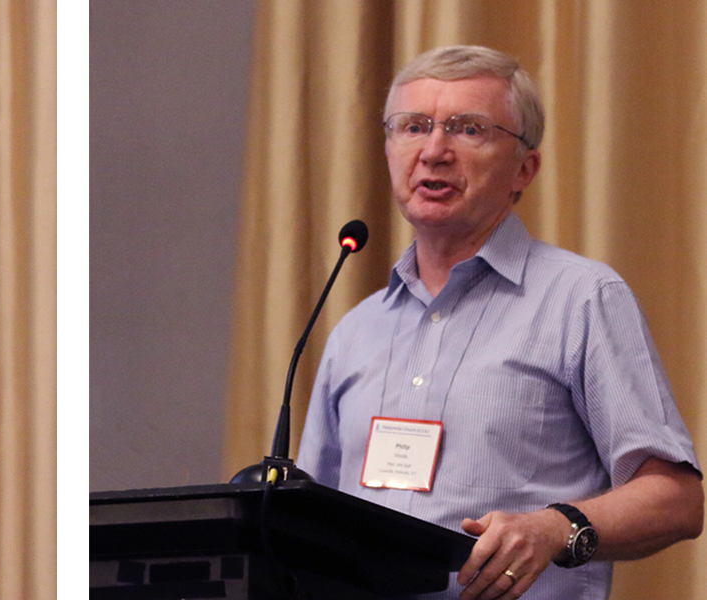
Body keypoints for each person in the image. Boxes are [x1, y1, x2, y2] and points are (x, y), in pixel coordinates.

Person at [296, 46, 702, 600]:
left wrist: (557, 526)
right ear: (389, 148)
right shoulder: (355, 331)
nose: (434, 151)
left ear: (524, 169)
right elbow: (304, 522)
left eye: (468, 130)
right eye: (413, 127)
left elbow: (676, 499)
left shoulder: (581, 299)